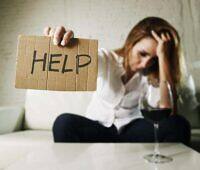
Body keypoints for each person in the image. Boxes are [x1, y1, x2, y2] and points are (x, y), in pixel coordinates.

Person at [44, 16, 196, 146]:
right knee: (64, 122)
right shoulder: (108, 59)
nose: (145, 64)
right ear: (131, 42)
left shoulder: (153, 75)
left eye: (154, 59)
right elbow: (84, 61)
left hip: (132, 131)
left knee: (178, 124)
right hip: (97, 127)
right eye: (142, 54)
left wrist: (163, 58)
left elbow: (167, 112)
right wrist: (62, 46)